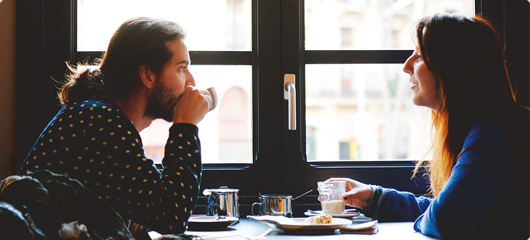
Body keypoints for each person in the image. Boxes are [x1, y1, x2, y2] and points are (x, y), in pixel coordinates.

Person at [326, 14, 530, 239]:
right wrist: (375, 196)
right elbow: (444, 208)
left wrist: (428, 216)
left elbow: (443, 218)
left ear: (452, 68)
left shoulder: (488, 139)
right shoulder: (492, 125)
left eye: (420, 56)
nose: (406, 66)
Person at [18, 17, 213, 235]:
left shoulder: (101, 116)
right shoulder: (100, 122)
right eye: (181, 69)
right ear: (147, 75)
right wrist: (185, 127)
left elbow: (152, 205)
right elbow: (171, 216)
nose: (191, 82)